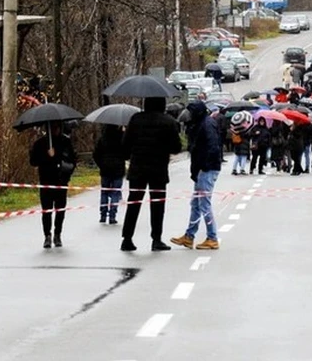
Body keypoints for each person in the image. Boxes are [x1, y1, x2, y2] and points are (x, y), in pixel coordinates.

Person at [121, 97, 182, 252]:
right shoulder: (168, 121)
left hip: (137, 168)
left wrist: (131, 154)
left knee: (133, 204)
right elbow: (176, 147)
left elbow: (125, 145)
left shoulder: (135, 119)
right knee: (157, 205)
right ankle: (156, 239)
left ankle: (127, 238)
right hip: (158, 169)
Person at [171, 101, 222, 250]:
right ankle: (189, 236)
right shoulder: (199, 124)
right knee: (196, 204)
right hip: (202, 169)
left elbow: (213, 147)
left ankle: (212, 238)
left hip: (207, 169)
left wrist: (204, 167)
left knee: (204, 204)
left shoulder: (207, 125)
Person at [29, 121, 77, 249]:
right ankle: (47, 235)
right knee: (47, 210)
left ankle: (57, 234)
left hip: (61, 182)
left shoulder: (66, 142)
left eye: (57, 127)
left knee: (60, 210)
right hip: (46, 181)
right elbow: (33, 161)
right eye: (53, 128)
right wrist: (47, 155)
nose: (56, 130)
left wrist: (66, 172)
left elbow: (72, 160)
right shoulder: (40, 144)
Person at [94, 124, 127, 225]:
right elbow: (126, 153)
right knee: (115, 192)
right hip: (118, 169)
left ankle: (103, 215)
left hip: (105, 169)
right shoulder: (122, 138)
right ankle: (112, 215)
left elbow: (96, 154)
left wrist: (101, 164)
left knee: (104, 192)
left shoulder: (102, 139)